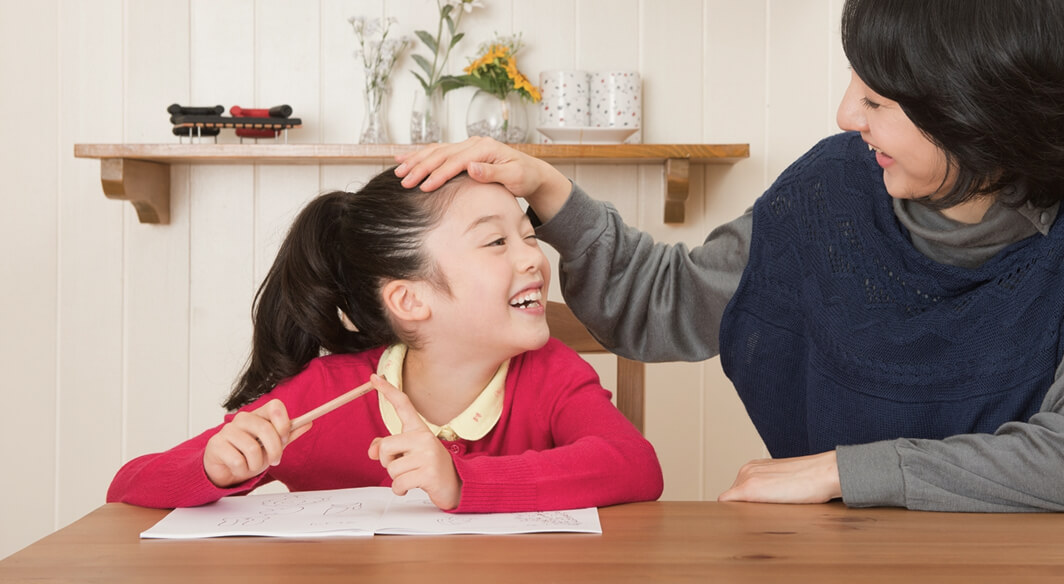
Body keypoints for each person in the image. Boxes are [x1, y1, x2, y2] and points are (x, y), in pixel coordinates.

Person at [395, 0, 1064, 513]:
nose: (847, 112)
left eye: (879, 100)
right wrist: (549, 192)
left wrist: (842, 471)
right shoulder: (832, 191)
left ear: (978, 118)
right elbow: (663, 307)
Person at [107, 169, 663, 512]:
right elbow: (127, 486)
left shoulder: (551, 373)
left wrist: (461, 481)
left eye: (527, 235)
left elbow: (633, 465)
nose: (532, 257)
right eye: (496, 241)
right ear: (409, 300)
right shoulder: (326, 395)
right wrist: (215, 467)